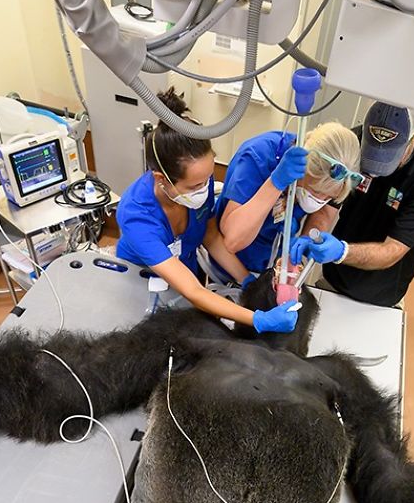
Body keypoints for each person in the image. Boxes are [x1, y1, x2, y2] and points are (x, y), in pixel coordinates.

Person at [116, 88, 298, 335]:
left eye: (208, 179)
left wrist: (247, 281)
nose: (205, 188)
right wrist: (258, 319)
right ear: (161, 179)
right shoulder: (137, 216)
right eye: (196, 185)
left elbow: (210, 236)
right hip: (141, 283)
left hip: (186, 279)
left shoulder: (195, 188)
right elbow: (193, 291)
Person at [290, 100, 414, 308]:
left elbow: (393, 249)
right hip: (334, 276)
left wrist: (342, 252)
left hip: (381, 292)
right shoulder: (352, 143)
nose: (374, 171)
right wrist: (310, 238)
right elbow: (326, 209)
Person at [216, 122, 361, 275]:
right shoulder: (260, 156)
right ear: (306, 168)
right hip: (226, 267)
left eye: (329, 197)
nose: (320, 200)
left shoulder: (336, 175)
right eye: (316, 191)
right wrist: (275, 184)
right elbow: (233, 240)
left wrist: (309, 241)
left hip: (268, 270)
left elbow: (323, 214)